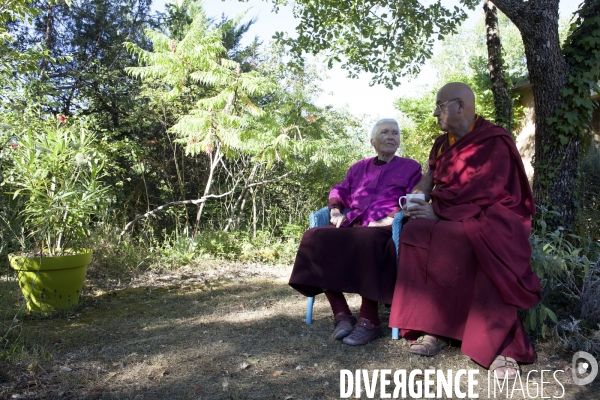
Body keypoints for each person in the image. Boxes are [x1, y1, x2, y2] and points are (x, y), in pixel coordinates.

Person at [388, 82, 541, 378]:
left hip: (491, 218)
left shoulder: (494, 140)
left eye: (439, 105)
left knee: (475, 241)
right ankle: (434, 328)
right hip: (451, 214)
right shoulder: (441, 143)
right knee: (415, 233)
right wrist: (418, 200)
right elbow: (429, 177)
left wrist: (438, 212)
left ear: (459, 105)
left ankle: (501, 344)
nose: (435, 113)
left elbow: (497, 196)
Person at [289, 119, 422, 346]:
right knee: (315, 237)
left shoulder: (411, 167)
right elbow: (339, 191)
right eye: (384, 132)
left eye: (395, 133)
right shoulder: (358, 168)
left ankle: (370, 320)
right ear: (372, 141)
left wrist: (392, 217)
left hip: (386, 228)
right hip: (354, 224)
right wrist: (335, 211)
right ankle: (341, 313)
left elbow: (416, 197)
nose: (391, 136)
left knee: (369, 240)